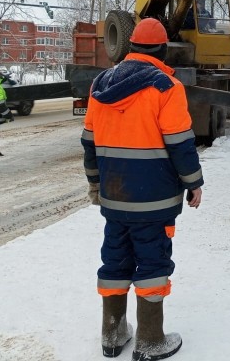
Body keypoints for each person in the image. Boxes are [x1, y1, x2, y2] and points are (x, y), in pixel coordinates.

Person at [81, 18, 203, 360]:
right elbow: (180, 144)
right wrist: (194, 182)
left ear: (130, 46)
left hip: (114, 195)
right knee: (152, 262)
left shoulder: (100, 84)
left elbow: (88, 142)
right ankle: (150, 340)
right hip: (154, 199)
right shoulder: (166, 87)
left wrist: (95, 183)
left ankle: (113, 335)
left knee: (115, 260)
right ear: (162, 49)